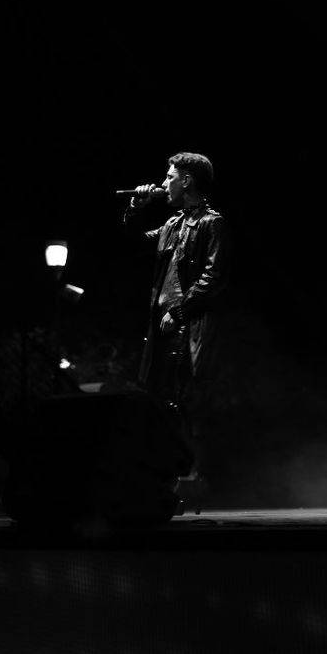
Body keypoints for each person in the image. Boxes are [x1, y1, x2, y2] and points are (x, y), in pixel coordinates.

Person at [124, 152, 230, 485]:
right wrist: (135, 208)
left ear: (187, 181)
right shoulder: (172, 225)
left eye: (170, 177)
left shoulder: (212, 223)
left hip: (188, 328)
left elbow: (213, 277)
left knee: (186, 401)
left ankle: (192, 477)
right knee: (159, 402)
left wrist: (179, 310)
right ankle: (165, 476)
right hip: (164, 328)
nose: (164, 183)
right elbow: (132, 245)